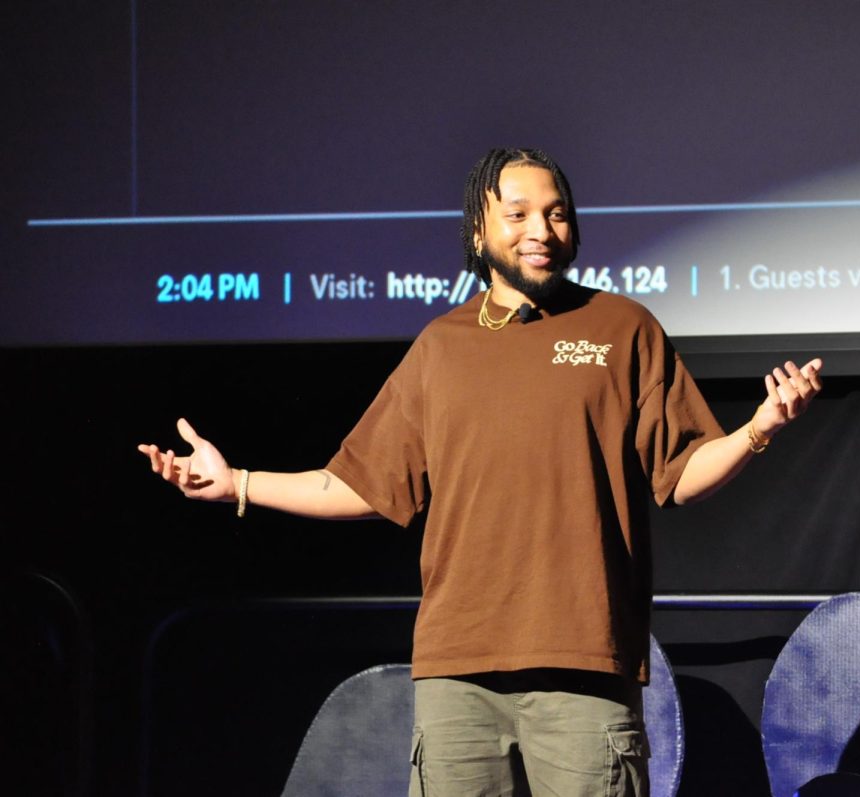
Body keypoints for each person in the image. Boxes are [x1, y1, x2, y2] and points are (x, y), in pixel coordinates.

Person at [139, 148, 823, 796]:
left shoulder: (623, 328)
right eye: (518, 213)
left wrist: (760, 427)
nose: (541, 229)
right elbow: (360, 483)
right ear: (479, 231)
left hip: (583, 664)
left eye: (556, 212)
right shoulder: (443, 347)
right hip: (457, 673)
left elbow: (679, 473)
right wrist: (238, 484)